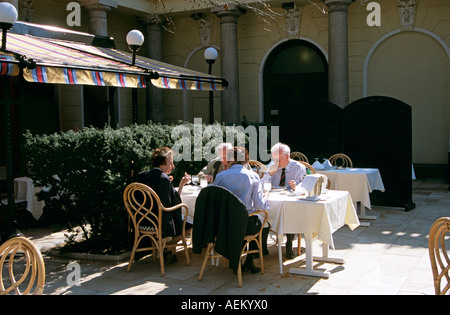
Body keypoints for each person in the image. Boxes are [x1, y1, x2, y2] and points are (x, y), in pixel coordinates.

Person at [214, 146, 270, 273]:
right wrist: (266, 200)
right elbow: (260, 206)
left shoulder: (220, 176)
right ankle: (249, 260)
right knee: (262, 220)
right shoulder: (253, 176)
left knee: (257, 219)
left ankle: (238, 259)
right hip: (245, 224)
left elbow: (216, 200)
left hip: (223, 224)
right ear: (246, 159)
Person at [137, 146, 192, 263]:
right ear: (162, 164)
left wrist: (168, 185)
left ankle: (168, 249)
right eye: (170, 163)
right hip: (160, 223)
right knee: (192, 222)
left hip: (143, 220)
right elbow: (171, 205)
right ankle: (171, 247)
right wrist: (181, 184)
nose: (173, 166)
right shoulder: (163, 179)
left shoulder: (143, 175)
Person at [263, 142, 307, 259]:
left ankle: (289, 244)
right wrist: (269, 174)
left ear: (287, 157)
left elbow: (305, 187)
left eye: (278, 160)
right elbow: (262, 185)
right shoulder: (272, 165)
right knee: (263, 210)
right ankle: (262, 247)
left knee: (290, 212)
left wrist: (296, 186)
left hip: (290, 200)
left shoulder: (298, 167)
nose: (276, 163)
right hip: (274, 199)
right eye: (274, 159)